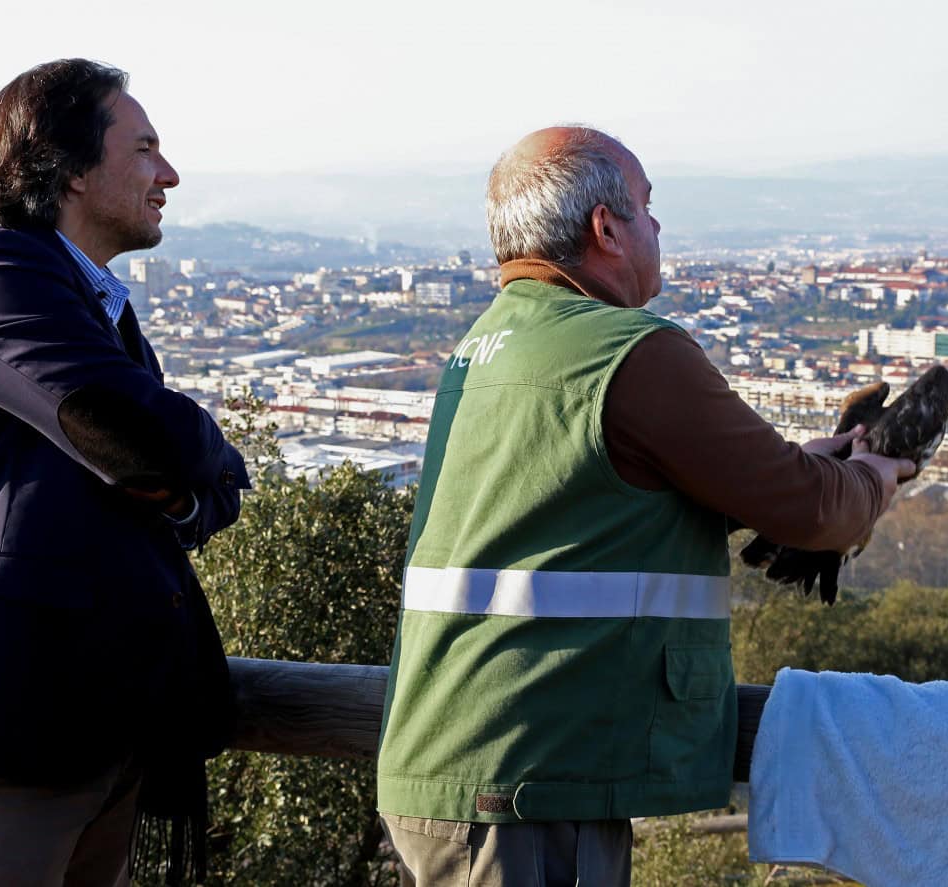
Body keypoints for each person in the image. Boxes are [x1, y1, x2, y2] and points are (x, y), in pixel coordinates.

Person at [375, 126, 915, 886]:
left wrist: (807, 462)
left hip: (463, 754)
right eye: (648, 208)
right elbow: (809, 509)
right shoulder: (628, 349)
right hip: (532, 776)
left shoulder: (487, 346)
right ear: (606, 229)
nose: (658, 228)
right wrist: (870, 478)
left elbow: (590, 509)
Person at [0, 59, 249, 886]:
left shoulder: (96, 300)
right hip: (2, 724)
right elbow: (127, 430)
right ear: (70, 168)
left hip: (98, 727)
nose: (170, 174)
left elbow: (177, 474)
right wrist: (189, 457)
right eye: (146, 149)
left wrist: (177, 470)